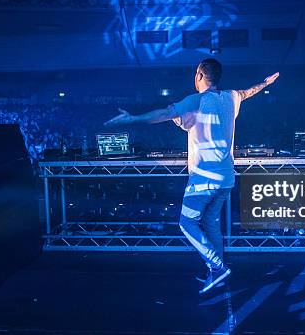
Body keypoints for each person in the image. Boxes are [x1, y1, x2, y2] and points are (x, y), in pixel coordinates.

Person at [105, 59, 279, 293]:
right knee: (210, 223)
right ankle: (215, 271)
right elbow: (249, 91)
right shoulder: (231, 97)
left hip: (204, 179)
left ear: (199, 75)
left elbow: (165, 113)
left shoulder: (195, 100)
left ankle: (217, 268)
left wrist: (132, 118)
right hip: (226, 178)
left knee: (187, 223)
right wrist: (264, 83)